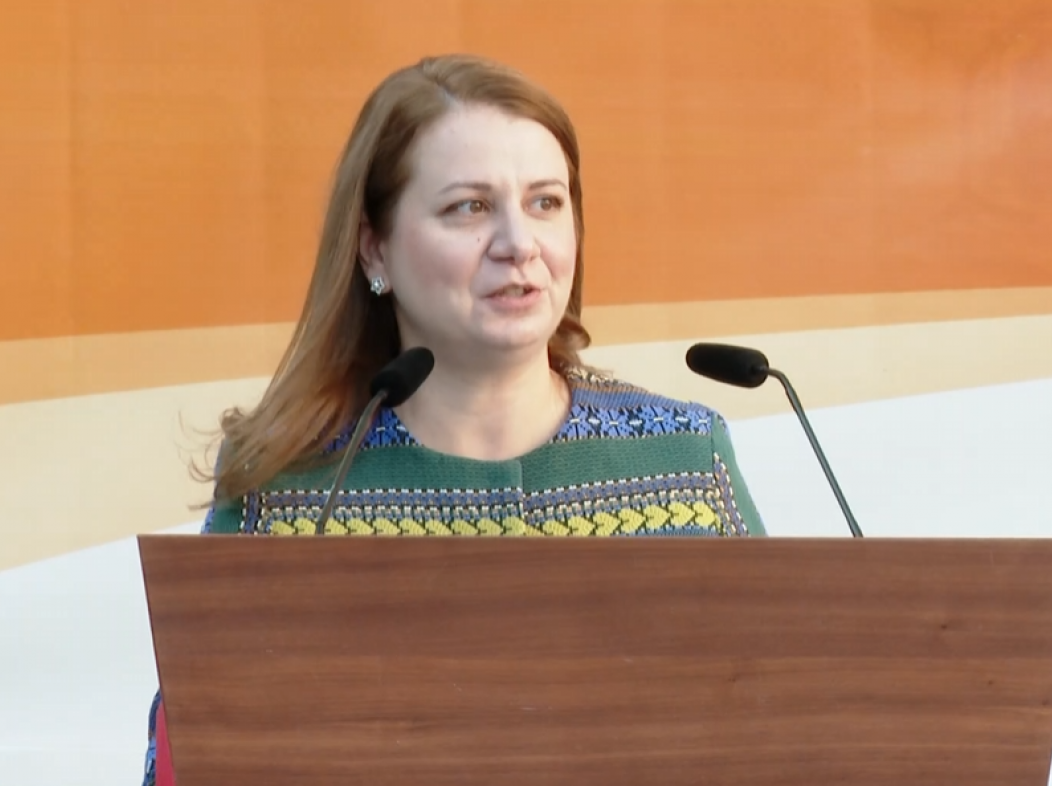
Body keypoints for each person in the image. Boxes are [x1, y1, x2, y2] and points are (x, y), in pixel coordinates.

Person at [140, 52, 766, 785]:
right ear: (374, 248)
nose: (518, 244)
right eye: (469, 207)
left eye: (545, 203)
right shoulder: (289, 487)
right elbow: (197, 757)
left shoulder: (685, 458)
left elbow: (778, 729)